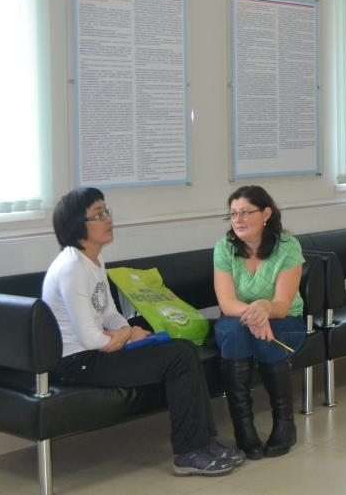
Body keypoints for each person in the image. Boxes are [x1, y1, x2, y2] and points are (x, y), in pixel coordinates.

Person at [42, 187, 245, 477]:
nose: (108, 218)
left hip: (99, 353)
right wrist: (127, 335)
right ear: (77, 225)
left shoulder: (93, 261)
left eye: (106, 211)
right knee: (179, 356)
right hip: (79, 363)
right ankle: (189, 452)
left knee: (182, 349)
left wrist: (129, 331)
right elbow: (91, 339)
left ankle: (204, 443)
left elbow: (111, 315)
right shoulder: (72, 267)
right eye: (98, 214)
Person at [214, 186, 306, 459]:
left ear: (266, 214)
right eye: (233, 214)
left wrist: (265, 308)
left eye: (245, 212)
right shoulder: (224, 248)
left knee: (266, 338)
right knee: (236, 333)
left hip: (284, 319)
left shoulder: (288, 246)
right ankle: (244, 429)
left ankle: (285, 424)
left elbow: (282, 304)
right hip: (237, 318)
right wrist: (255, 313)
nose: (238, 219)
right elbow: (227, 303)